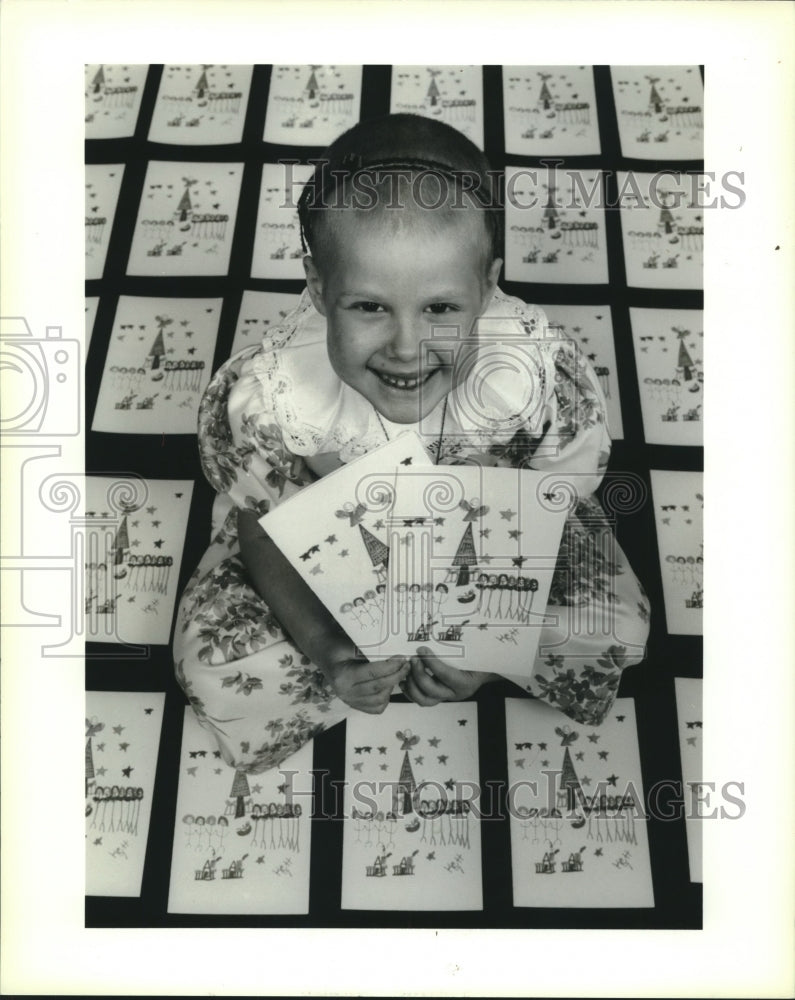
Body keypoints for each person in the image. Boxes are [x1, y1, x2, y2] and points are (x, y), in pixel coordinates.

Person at [173, 113, 650, 775]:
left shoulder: (537, 378)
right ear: (317, 288)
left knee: (610, 627)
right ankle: (350, 670)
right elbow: (264, 526)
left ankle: (469, 668)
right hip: (318, 537)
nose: (405, 348)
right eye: (368, 307)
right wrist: (327, 647)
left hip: (498, 537)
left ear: (484, 289)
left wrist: (487, 648)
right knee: (216, 661)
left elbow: (544, 513)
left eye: (440, 309)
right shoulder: (272, 393)